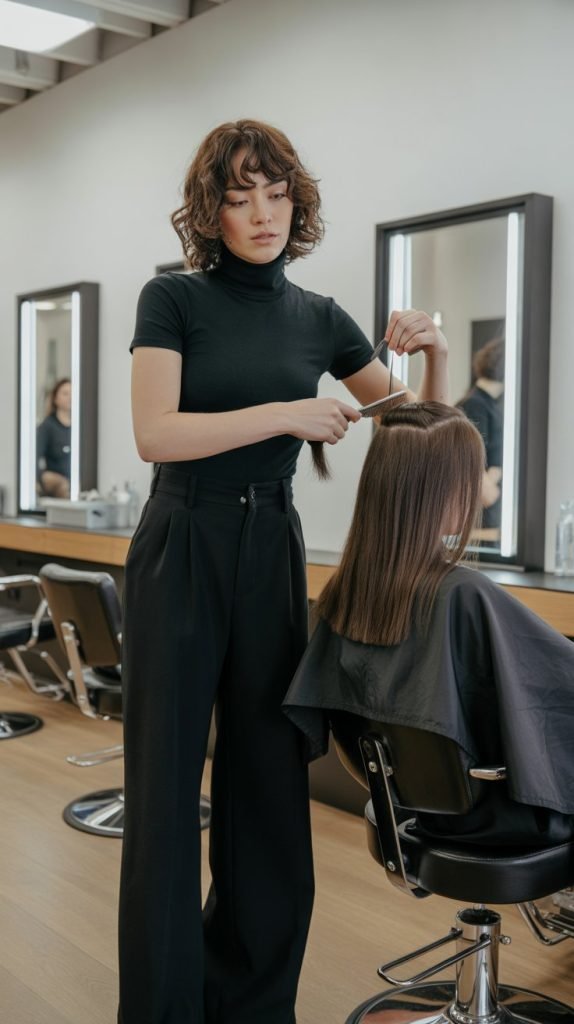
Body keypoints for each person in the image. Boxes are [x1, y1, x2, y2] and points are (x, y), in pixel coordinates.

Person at [119, 119, 449, 1024]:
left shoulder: (320, 317)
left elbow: (423, 430)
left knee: (268, 791)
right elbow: (156, 434)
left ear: (296, 200)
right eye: (237, 195)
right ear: (210, 211)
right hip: (181, 542)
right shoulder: (172, 299)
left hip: (271, 552)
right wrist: (287, 413)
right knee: (163, 795)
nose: (260, 211)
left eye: (275, 191)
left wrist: (432, 350)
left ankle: (252, 1006)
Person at [283, 402, 574, 846]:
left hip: (409, 808)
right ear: (447, 491)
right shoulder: (462, 593)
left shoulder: (346, 592)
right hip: (497, 817)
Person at [456, 336, 504, 528]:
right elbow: (472, 464)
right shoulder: (475, 405)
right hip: (482, 511)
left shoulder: (488, 405)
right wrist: (491, 482)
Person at [36, 377, 72, 498]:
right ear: (55, 398)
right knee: (64, 485)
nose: (70, 397)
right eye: (65, 393)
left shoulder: (79, 428)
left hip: (73, 481)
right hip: (56, 481)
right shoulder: (47, 426)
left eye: (72, 393)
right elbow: (34, 458)